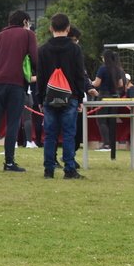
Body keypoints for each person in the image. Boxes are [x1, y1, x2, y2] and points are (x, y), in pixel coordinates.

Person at [0, 10, 38, 172]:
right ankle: (9, 162)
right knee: (13, 123)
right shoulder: (28, 35)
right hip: (16, 83)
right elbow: (35, 59)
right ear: (25, 22)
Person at [37, 13, 90, 179]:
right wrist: (80, 97)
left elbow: (41, 77)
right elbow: (79, 75)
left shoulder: (43, 50)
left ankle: (48, 169)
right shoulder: (75, 49)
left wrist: (40, 99)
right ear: (68, 28)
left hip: (49, 97)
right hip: (71, 96)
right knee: (68, 134)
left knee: (50, 135)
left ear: (51, 28)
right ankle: (69, 169)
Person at [89, 49, 126, 151]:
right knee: (111, 120)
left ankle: (106, 144)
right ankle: (112, 144)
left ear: (105, 58)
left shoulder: (103, 68)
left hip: (104, 97)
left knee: (101, 120)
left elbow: (96, 83)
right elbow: (120, 84)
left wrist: (89, 83)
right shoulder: (118, 69)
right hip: (115, 97)